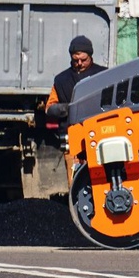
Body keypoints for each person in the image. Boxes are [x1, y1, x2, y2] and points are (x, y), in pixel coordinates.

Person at [45, 36, 106, 181]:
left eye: (83, 60)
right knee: (75, 182)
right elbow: (49, 108)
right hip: (71, 141)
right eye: (75, 60)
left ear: (91, 56)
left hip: (99, 138)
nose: (79, 63)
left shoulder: (104, 75)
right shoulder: (61, 80)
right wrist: (69, 108)